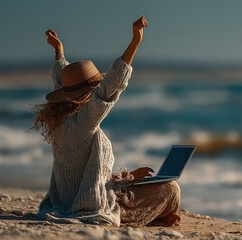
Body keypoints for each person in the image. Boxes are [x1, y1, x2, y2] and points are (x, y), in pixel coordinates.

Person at [31, 16, 181, 227]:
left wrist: (59, 51)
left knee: (152, 186)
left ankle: (159, 215)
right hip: (90, 204)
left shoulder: (61, 120)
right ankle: (155, 216)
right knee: (171, 189)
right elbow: (109, 89)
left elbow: (61, 79)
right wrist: (135, 41)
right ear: (89, 94)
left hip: (67, 200)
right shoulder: (83, 122)